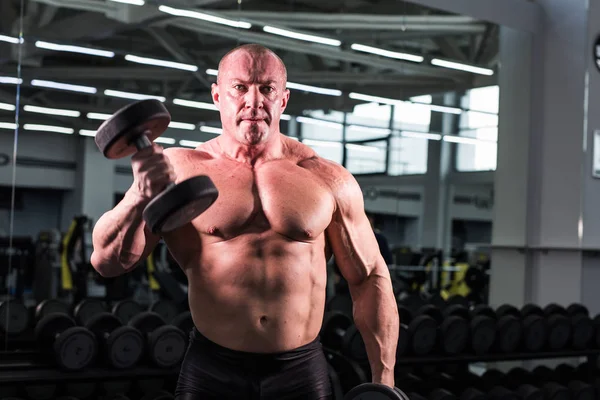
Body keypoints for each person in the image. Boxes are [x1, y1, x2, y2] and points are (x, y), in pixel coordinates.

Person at [90, 43, 399, 400]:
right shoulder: (178, 169)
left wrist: (384, 381)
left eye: (266, 88)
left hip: (299, 371)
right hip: (212, 369)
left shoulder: (327, 178)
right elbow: (108, 262)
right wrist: (139, 197)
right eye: (240, 87)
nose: (254, 101)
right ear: (217, 96)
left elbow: (370, 277)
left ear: (283, 100)